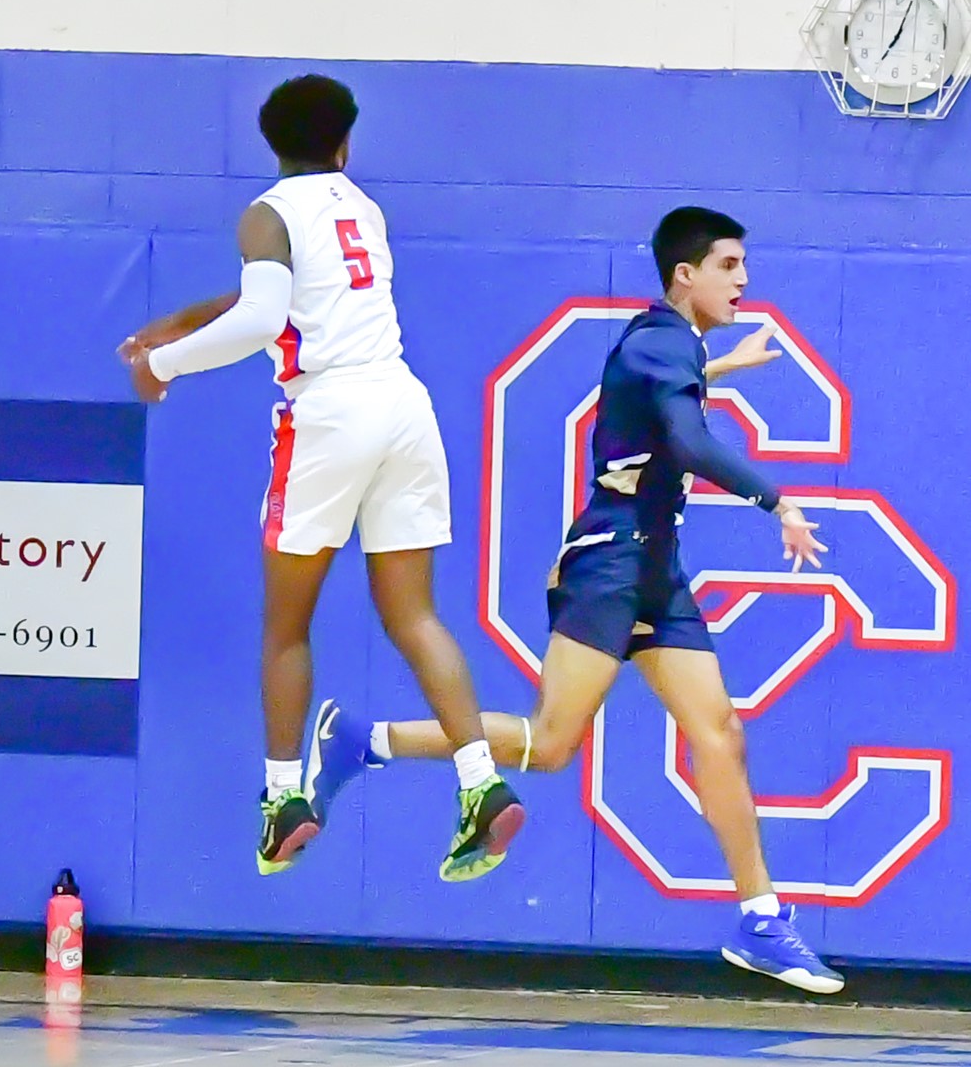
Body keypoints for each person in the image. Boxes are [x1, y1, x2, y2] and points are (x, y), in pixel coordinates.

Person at [309, 206, 845, 994]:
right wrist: (779, 503)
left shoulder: (668, 345)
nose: (744, 279)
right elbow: (691, 443)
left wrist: (719, 369)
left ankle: (762, 918)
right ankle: (362, 740)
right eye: (729, 265)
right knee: (553, 743)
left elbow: (647, 399)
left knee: (720, 733)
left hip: (655, 569)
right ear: (684, 275)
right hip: (610, 563)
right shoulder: (665, 340)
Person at [116, 76, 522, 881]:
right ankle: (480, 780)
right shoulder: (360, 207)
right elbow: (285, 293)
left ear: (272, 143)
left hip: (329, 411)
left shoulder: (267, 211)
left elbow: (268, 318)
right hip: (405, 406)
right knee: (415, 616)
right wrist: (189, 317)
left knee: (287, 625)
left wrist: (163, 362)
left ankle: (281, 800)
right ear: (344, 144)